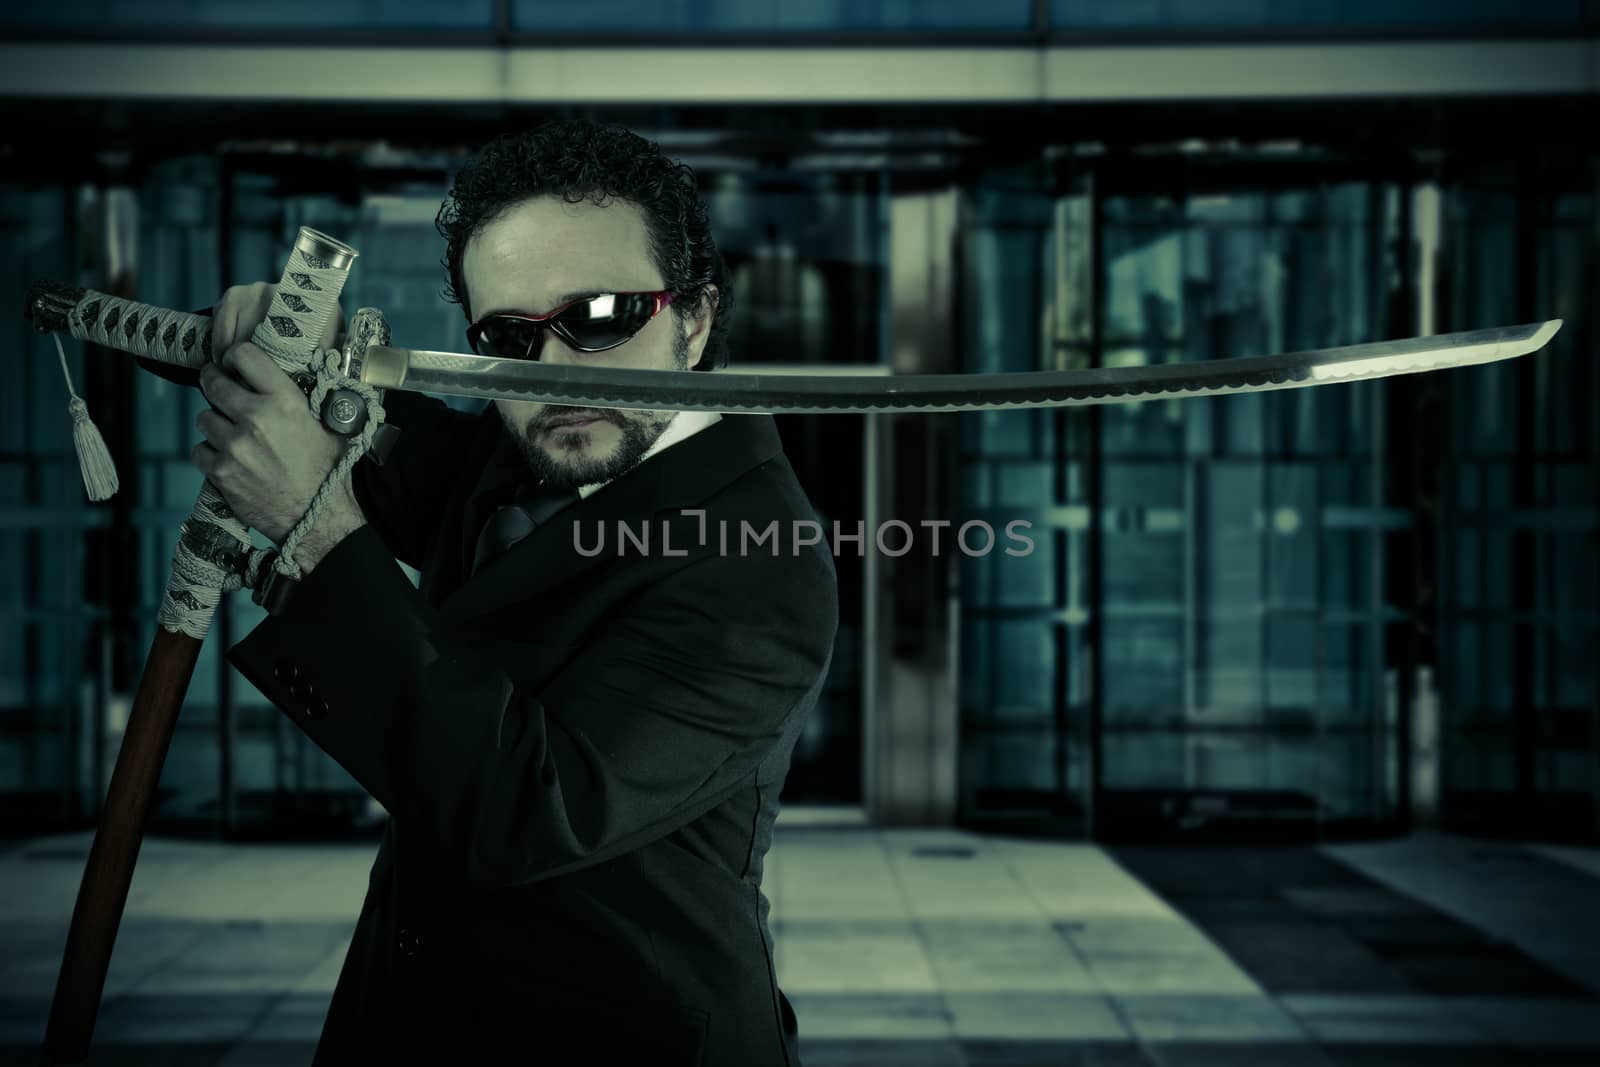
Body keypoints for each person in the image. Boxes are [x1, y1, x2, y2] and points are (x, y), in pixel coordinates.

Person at [190, 119, 838, 1065]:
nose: (556, 367)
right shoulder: (530, 434)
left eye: (607, 314)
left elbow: (524, 811)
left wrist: (313, 527)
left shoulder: (764, 564)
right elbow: (386, 446)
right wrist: (280, 350)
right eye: (509, 334)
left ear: (693, 320)